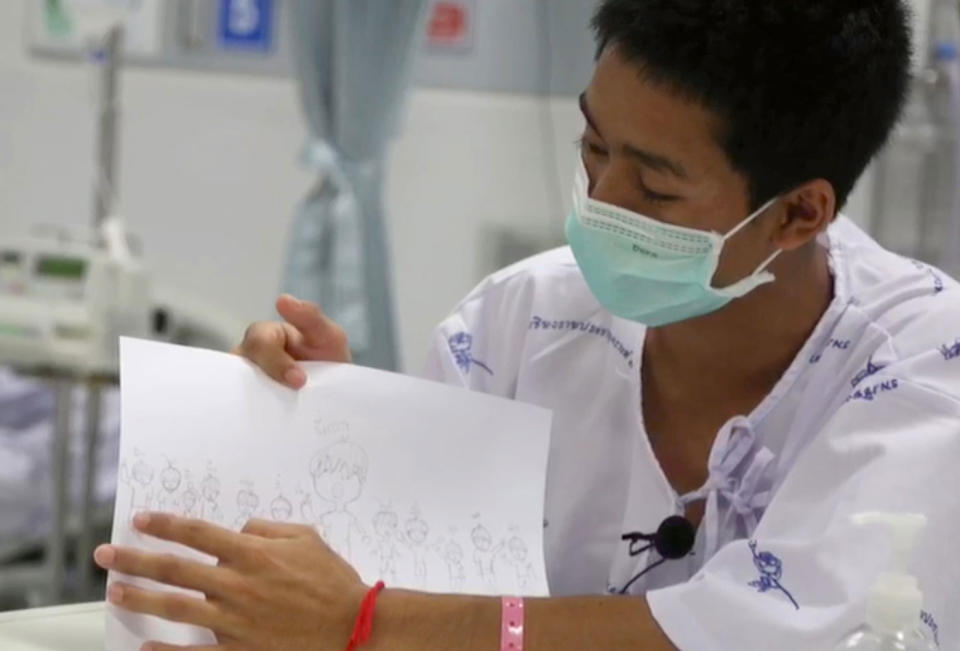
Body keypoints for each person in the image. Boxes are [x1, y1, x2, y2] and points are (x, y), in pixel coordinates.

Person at [93, 1, 960, 649]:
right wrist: (326, 421)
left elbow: (768, 632)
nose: (600, 205)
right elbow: (403, 569)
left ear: (799, 213)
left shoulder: (917, 368)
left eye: (655, 188)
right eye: (592, 148)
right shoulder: (523, 319)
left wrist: (370, 619)